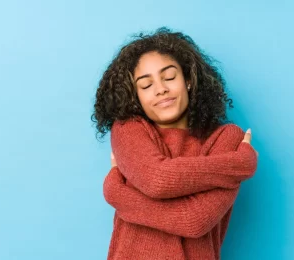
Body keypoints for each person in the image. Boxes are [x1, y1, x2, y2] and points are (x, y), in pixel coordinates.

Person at [91, 27, 259, 260]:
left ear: (188, 81)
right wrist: (239, 164)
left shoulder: (226, 138)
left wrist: (119, 195)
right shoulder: (129, 128)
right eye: (146, 85)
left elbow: (194, 221)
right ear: (135, 96)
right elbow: (157, 179)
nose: (160, 89)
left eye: (169, 77)